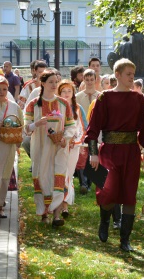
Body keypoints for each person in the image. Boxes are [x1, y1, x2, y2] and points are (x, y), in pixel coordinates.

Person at [85, 58, 144, 252]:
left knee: (129, 194)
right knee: (108, 191)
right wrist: (93, 153)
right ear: (117, 75)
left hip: (131, 152)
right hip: (109, 151)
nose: (132, 78)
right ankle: (104, 221)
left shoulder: (139, 99)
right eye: (128, 74)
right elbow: (93, 128)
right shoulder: (104, 98)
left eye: (133, 74)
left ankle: (125, 239)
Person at [24, 70, 76, 227]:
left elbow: (71, 126)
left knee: (58, 177)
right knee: (43, 177)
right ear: (43, 83)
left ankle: (57, 215)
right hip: (40, 148)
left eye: (56, 82)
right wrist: (36, 124)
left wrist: (64, 139)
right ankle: (44, 213)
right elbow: (26, 128)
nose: (54, 85)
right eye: (51, 82)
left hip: (59, 149)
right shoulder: (33, 104)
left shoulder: (63, 103)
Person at [57, 80, 88, 218]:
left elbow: (81, 128)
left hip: (73, 146)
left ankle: (65, 205)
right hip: (58, 145)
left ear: (73, 93)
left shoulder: (77, 108)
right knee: (59, 174)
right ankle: (57, 204)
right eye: (64, 91)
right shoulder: (56, 106)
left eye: (69, 91)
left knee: (68, 174)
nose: (67, 94)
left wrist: (75, 142)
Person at [0, 76, 24, 218]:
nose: (2, 92)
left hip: (8, 147)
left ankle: (0, 206)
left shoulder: (13, 106)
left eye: (4, 89)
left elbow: (21, 125)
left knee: (4, 177)